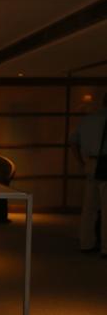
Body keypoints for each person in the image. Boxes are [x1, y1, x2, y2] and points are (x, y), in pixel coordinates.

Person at [71, 92, 107, 257]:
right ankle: (105, 247)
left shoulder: (88, 119)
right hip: (104, 162)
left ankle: (86, 243)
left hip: (91, 163)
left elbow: (74, 142)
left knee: (89, 208)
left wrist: (81, 162)